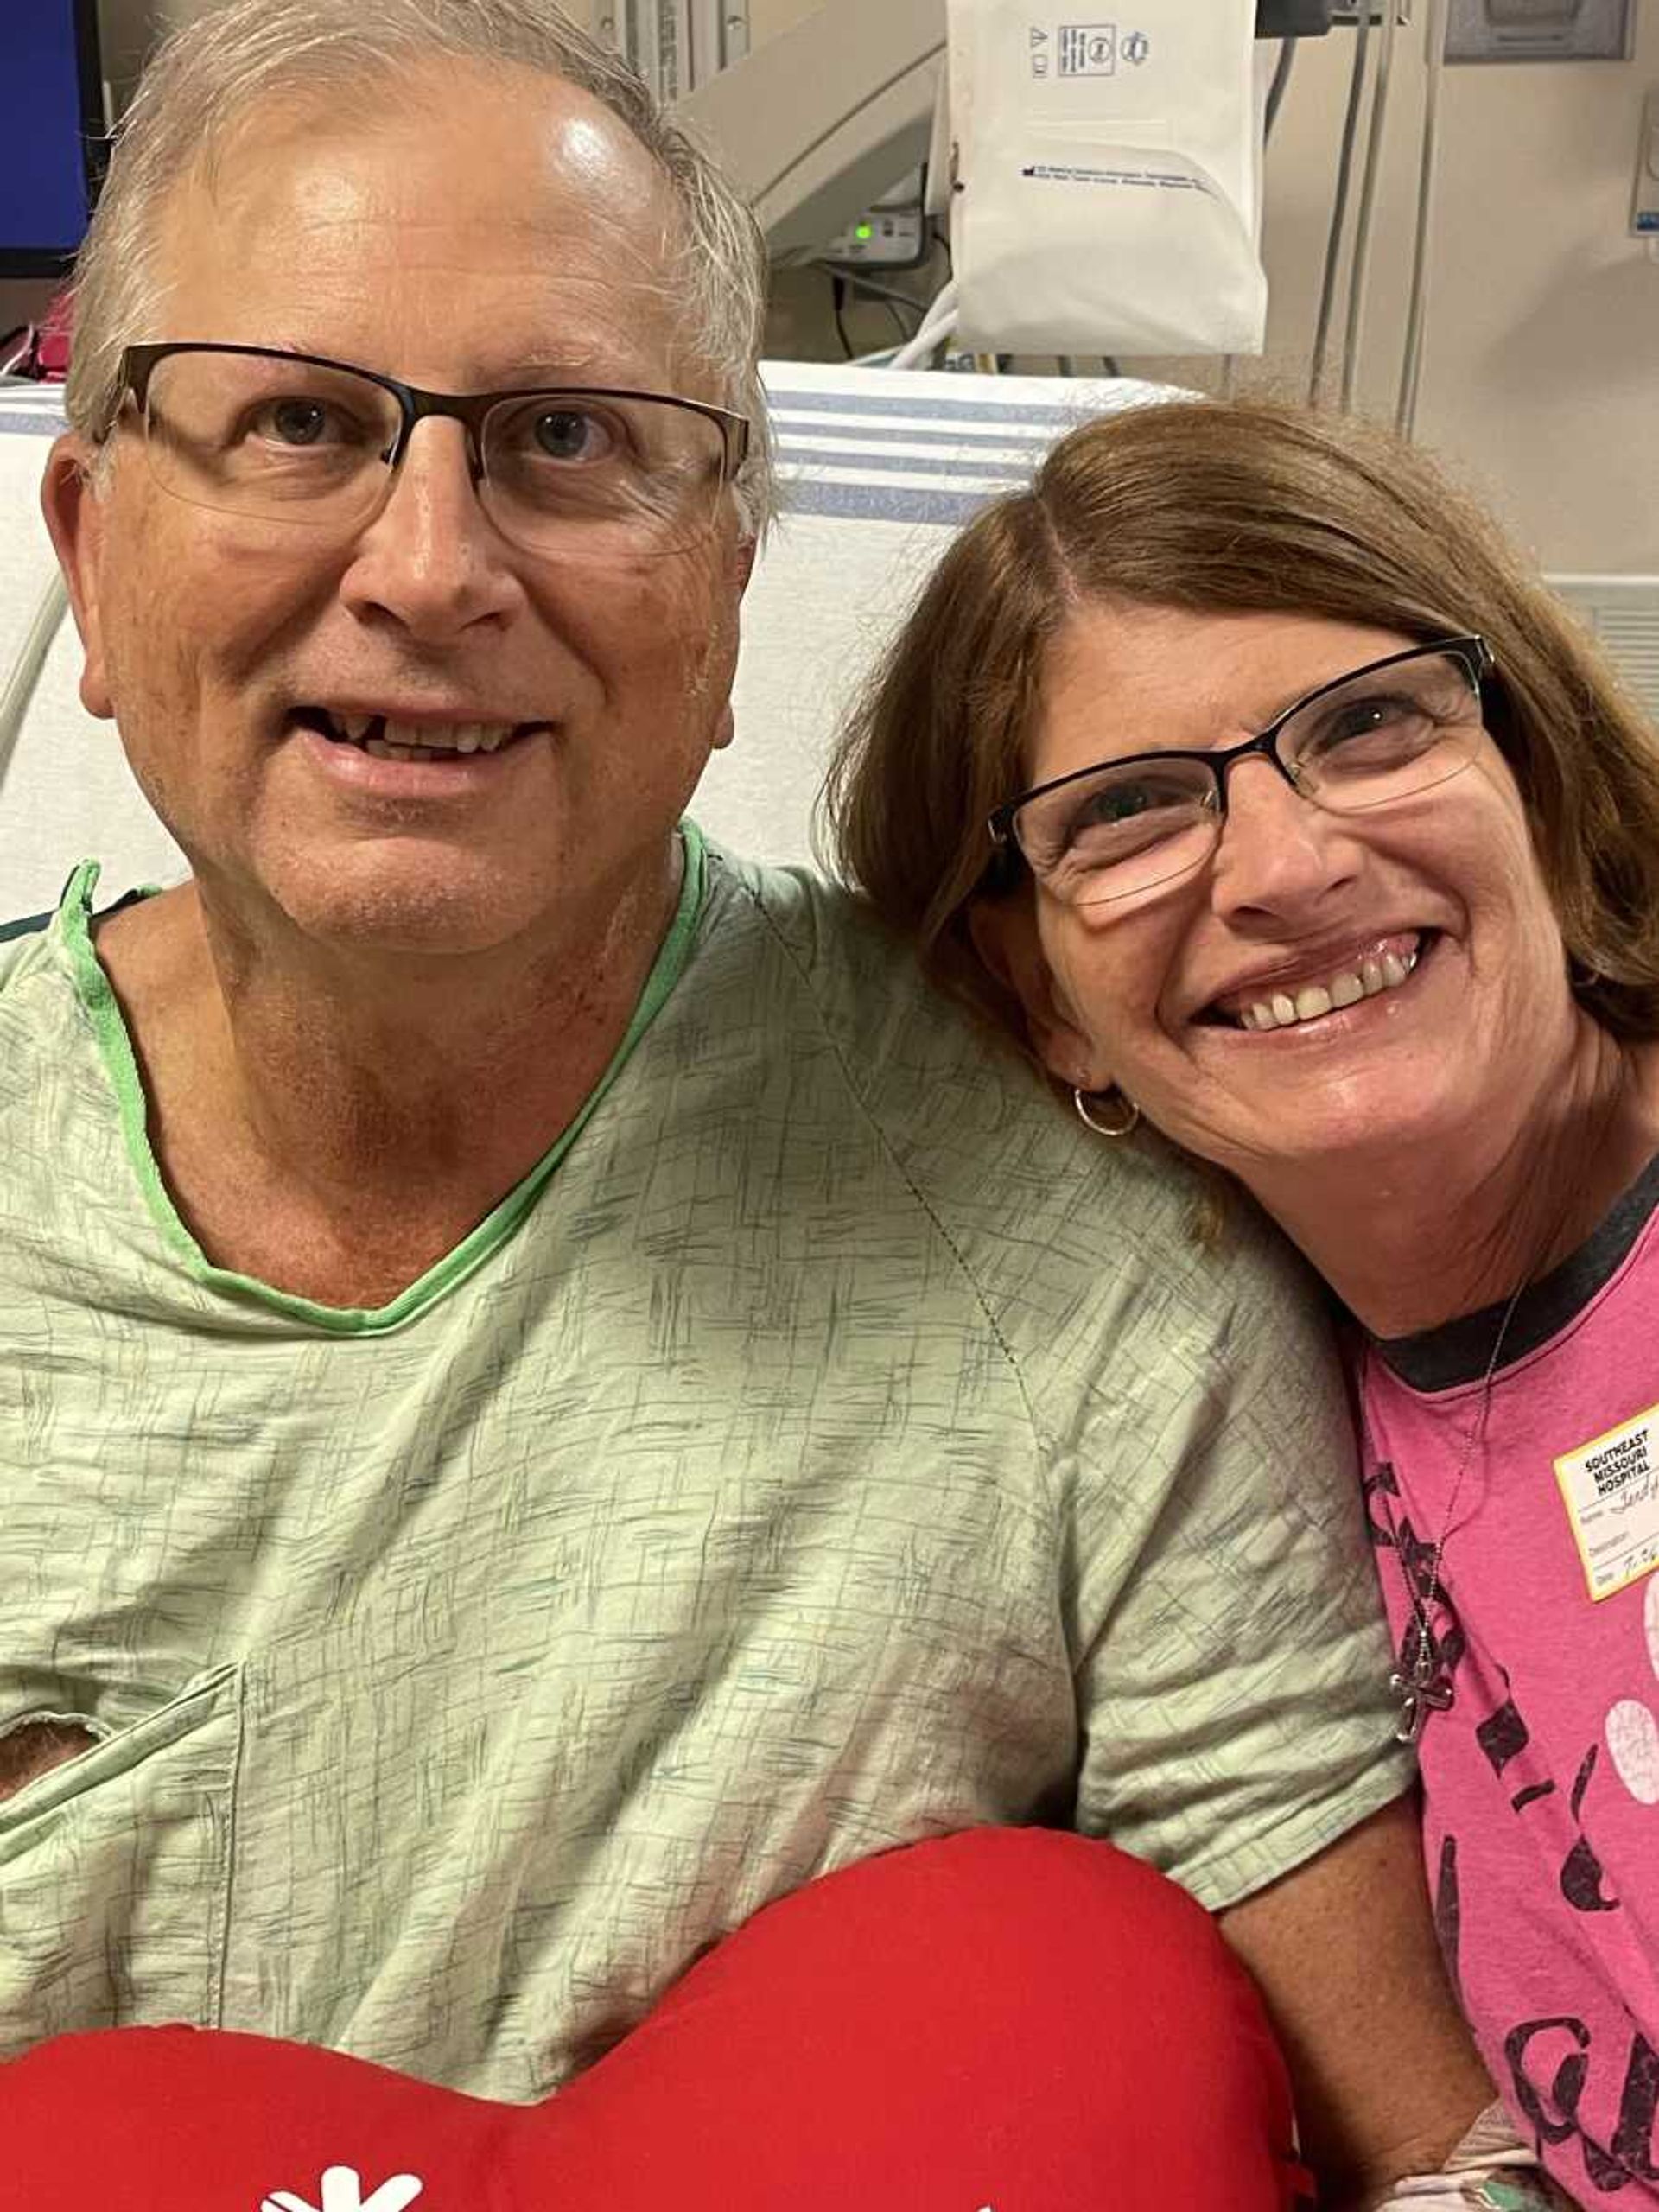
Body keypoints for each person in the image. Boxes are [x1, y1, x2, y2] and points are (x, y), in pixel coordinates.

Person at [0, 2, 1497, 2202]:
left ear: (726, 598)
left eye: (571, 439)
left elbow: (1440, 2157)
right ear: (94, 548)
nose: (430, 566)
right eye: (301, 421)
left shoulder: (1075, 1237)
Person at [826, 391, 1659, 2207]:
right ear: (1038, 1000)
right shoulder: (1242, 1422)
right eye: (1127, 813)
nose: (1286, 867)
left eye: (1368, 725)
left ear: (1534, 768)